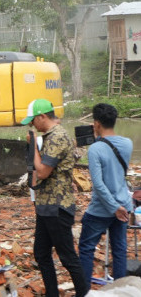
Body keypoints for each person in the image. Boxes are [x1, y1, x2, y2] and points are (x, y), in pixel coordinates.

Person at [24, 99, 88, 297]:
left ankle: (84, 294)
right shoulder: (51, 135)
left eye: (33, 120)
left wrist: (33, 146)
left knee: (68, 257)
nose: (31, 124)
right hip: (46, 206)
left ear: (42, 116)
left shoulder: (58, 137)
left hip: (57, 206)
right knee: (42, 254)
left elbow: (42, 172)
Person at [78, 103, 132, 282]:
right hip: (124, 205)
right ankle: (121, 291)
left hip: (102, 208)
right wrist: (118, 207)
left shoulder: (95, 149)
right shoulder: (128, 143)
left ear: (96, 123)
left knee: (86, 248)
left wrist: (113, 207)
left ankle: (83, 292)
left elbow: (99, 184)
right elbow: (115, 169)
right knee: (119, 250)